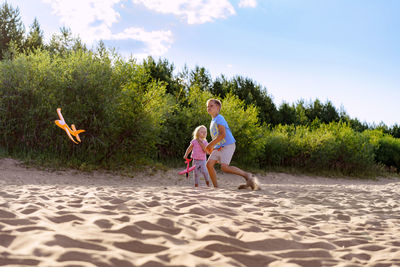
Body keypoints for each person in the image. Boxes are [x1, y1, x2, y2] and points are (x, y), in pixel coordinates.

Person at [205, 99, 260, 190]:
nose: (209, 108)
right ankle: (216, 188)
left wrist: (210, 145)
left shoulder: (219, 118)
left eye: (211, 106)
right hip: (219, 147)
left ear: (218, 108)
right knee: (209, 165)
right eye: (207, 106)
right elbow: (216, 137)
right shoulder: (213, 121)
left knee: (224, 167)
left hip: (228, 145)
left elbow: (223, 135)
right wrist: (213, 147)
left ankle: (247, 175)